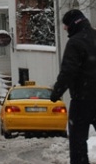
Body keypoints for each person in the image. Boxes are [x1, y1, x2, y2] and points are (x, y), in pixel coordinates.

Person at [50, 9, 96, 164]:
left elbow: (68, 71)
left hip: (82, 100)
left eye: (66, 25)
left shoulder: (75, 43)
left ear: (73, 24)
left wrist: (56, 92)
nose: (65, 28)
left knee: (78, 142)